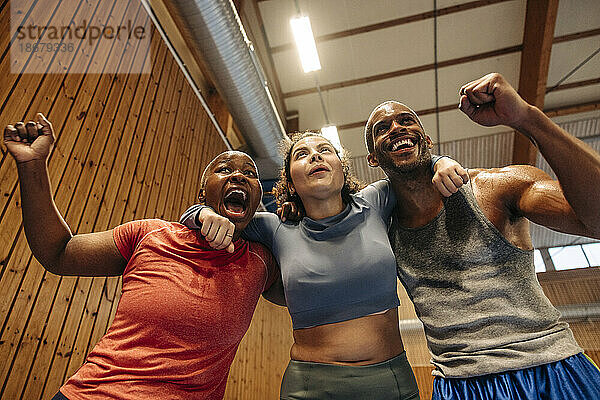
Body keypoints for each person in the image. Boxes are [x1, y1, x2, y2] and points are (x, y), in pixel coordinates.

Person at [3, 114, 281, 399]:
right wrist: (32, 165)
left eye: (250, 173)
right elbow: (58, 252)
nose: (238, 176)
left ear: (258, 199)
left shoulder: (260, 263)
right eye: (224, 169)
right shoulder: (150, 234)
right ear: (201, 194)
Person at [181, 130, 467, 399]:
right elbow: (199, 217)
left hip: (391, 380)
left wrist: (440, 161)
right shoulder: (274, 228)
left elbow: (413, 174)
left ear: (342, 168)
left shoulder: (376, 200)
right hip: (310, 386)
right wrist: (203, 213)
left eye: (325, 150)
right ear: (290, 182)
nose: (315, 156)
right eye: (301, 154)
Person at [364, 72, 600, 400]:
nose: (397, 128)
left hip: (550, 367)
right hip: (459, 382)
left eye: (406, 120)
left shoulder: (492, 187)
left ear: (426, 140)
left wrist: (527, 118)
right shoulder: (379, 229)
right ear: (373, 158)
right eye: (382, 128)